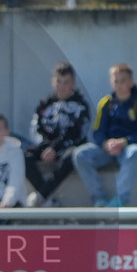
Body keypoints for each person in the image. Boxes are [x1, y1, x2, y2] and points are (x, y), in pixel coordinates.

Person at [72, 63, 137, 207]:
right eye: (116, 81)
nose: (120, 85)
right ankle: (98, 198)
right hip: (107, 149)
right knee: (80, 154)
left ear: (131, 82)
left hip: (127, 149)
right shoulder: (106, 103)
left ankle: (120, 200)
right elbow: (97, 132)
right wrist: (106, 143)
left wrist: (123, 142)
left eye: (123, 81)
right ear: (111, 82)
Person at [24, 61, 90, 207]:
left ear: (73, 84)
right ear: (52, 82)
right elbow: (35, 128)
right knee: (22, 155)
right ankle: (48, 200)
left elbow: (78, 133)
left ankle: (42, 194)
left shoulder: (81, 105)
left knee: (72, 156)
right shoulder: (45, 103)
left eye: (66, 82)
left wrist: (55, 148)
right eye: (58, 82)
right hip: (46, 147)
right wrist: (45, 147)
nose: (61, 86)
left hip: (67, 148)